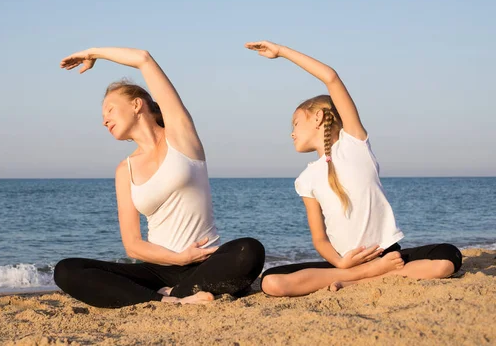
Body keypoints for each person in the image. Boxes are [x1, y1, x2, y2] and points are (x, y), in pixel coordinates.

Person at [245, 40, 462, 297]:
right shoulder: (306, 179)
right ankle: (360, 276)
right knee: (271, 281)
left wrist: (281, 52)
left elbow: (331, 78)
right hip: (346, 264)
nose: (291, 133)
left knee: (448, 257)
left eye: (295, 123)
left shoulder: (354, 144)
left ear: (318, 118)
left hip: (386, 256)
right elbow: (320, 240)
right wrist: (341, 264)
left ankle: (361, 278)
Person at [53, 46, 265, 307]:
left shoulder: (181, 138)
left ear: (136, 104)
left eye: (109, 109)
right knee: (66, 269)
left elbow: (143, 59)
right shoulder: (125, 169)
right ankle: (169, 299)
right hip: (157, 270)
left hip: (205, 262)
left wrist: (95, 53)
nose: (104, 120)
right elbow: (132, 245)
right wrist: (178, 258)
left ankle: (174, 294)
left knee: (249, 251)